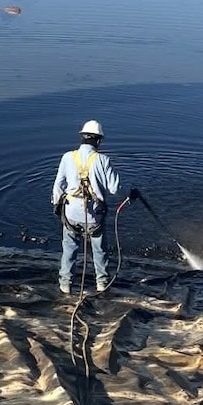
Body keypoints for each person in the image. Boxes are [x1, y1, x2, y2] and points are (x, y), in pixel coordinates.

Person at [51, 120, 139, 295]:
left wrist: (57, 208)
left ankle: (66, 285)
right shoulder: (103, 160)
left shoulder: (67, 157)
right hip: (94, 217)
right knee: (99, 251)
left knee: (69, 249)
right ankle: (101, 284)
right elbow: (115, 189)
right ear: (98, 140)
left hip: (70, 214)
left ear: (82, 137)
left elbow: (58, 186)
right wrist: (131, 194)